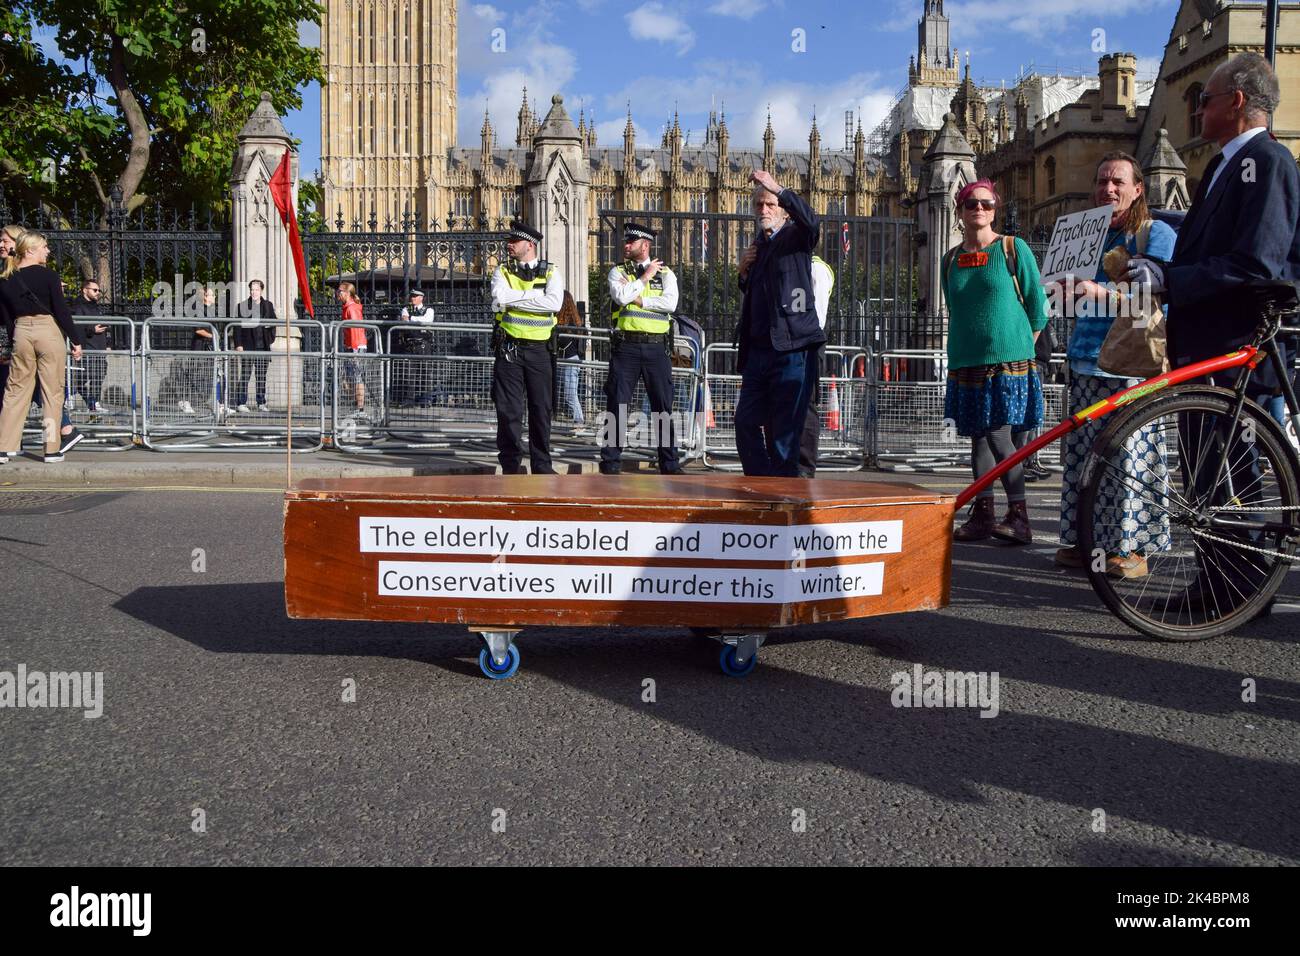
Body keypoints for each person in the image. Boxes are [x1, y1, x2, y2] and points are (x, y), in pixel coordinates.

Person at [1125, 52, 1300, 613]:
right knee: (1206, 470)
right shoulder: (1225, 165)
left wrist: (1170, 281)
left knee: (1231, 468)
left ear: (1238, 102)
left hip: (1236, 343)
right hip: (1204, 341)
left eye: (1207, 98)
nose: (1199, 109)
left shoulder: (1268, 162)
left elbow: (1258, 263)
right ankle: (1220, 580)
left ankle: (1240, 589)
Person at [1050, 152, 1176, 574]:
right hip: (1085, 360)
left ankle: (1129, 550)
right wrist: (1061, 292)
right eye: (1103, 180)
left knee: (1128, 459)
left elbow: (1157, 299)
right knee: (1084, 458)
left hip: (1131, 363)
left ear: (1138, 188)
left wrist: (1098, 292)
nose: (1109, 188)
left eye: (1118, 181)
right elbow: (1062, 301)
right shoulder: (1086, 235)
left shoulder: (1154, 234)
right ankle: (1083, 540)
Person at [941, 180, 1048, 544]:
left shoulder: (1012, 248)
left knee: (1000, 436)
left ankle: (1019, 516)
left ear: (995, 208)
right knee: (979, 440)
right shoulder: (951, 259)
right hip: (967, 361)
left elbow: (1038, 308)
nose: (979, 210)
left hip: (1008, 363)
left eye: (986, 204)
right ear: (960, 209)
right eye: (972, 204)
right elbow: (956, 308)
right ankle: (983, 513)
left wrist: (1019, 348)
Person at [734, 170, 826, 476]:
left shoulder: (796, 238)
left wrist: (778, 188)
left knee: (787, 432)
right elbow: (761, 296)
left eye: (770, 203)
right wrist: (744, 276)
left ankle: (783, 495)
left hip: (793, 347)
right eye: (759, 204)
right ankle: (762, 485)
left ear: (784, 210)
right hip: (758, 352)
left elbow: (812, 222)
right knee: (745, 422)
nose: (764, 209)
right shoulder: (757, 246)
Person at [600, 222, 682, 475]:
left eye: (630, 242)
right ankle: (610, 461)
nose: (625, 245)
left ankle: (669, 463)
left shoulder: (666, 273)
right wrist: (644, 279)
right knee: (617, 405)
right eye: (626, 241)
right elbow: (621, 297)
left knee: (662, 407)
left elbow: (670, 304)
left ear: (645, 245)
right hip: (627, 346)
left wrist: (640, 296)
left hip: (657, 349)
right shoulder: (617, 271)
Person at [0, 231, 87, 463]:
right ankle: (51, 448)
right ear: (30, 250)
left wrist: (14, 341)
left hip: (21, 332)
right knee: (52, 392)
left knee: (15, 390)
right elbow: (61, 310)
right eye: (44, 247)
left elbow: (7, 318)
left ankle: (4, 446)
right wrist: (76, 340)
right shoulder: (48, 276)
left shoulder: (6, 278)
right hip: (47, 331)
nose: (47, 251)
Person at [489, 220, 563, 475]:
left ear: (529, 245)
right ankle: (510, 465)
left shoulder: (551, 272)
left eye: (514, 242)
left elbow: (554, 304)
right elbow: (500, 299)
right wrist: (535, 298)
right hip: (509, 349)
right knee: (508, 411)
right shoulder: (502, 271)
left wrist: (516, 300)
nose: (509, 246)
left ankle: (542, 466)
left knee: (541, 410)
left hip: (539, 351)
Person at [233, 279, 275, 413]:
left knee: (261, 376)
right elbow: (237, 327)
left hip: (263, 345)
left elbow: (274, 321)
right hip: (247, 345)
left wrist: (270, 327)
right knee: (245, 375)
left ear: (261, 290)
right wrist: (238, 344)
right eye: (252, 289)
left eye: (256, 289)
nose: (254, 292)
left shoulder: (268, 305)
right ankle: (241, 402)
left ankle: (261, 402)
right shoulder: (242, 306)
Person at [71, 277, 110, 414]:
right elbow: (77, 326)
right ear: (84, 290)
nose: (97, 292)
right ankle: (68, 396)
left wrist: (108, 343)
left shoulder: (96, 306)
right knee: (84, 376)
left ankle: (94, 403)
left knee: (99, 375)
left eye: (98, 290)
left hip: (100, 346)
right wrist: (92, 329)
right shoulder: (78, 306)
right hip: (87, 347)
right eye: (94, 290)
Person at [396, 288, 436, 407]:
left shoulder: (428, 310)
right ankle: (409, 400)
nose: (412, 298)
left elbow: (427, 321)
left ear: (421, 298)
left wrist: (412, 319)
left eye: (415, 296)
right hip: (410, 344)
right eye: (412, 296)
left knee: (426, 372)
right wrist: (414, 321)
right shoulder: (405, 309)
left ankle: (426, 399)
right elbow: (404, 322)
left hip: (423, 344)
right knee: (409, 374)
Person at [337, 281, 369, 420]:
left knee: (357, 378)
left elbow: (356, 329)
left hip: (356, 346)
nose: (337, 294)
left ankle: (360, 408)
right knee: (350, 378)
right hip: (351, 346)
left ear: (347, 293)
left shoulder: (352, 308)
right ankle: (356, 405)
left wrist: (354, 350)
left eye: (339, 292)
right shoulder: (347, 307)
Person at [556, 290, 585, 426]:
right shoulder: (575, 321)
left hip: (569, 360)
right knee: (565, 392)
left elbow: (562, 341)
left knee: (570, 393)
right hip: (566, 359)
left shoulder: (569, 324)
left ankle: (579, 420)